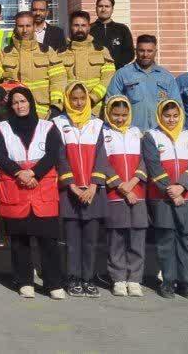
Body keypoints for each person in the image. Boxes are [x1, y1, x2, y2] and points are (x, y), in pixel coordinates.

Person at [0, 87, 66, 300]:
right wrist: (19, 173)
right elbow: (0, 156)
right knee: (20, 241)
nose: (20, 106)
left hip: (41, 188)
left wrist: (34, 173)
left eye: (23, 101)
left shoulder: (48, 127)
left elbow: (53, 154)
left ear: (31, 103)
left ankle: (53, 283)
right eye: (15, 102)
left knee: (48, 241)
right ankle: (24, 281)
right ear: (10, 106)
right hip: (16, 188)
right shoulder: (1, 128)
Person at [52, 82, 109, 298]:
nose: (78, 102)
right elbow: (59, 156)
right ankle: (73, 278)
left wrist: (94, 184)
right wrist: (72, 186)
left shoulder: (98, 124)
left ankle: (89, 278)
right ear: (67, 99)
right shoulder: (57, 124)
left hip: (94, 192)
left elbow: (102, 157)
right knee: (72, 240)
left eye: (81, 98)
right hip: (70, 192)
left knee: (91, 240)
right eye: (74, 98)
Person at [142, 99, 188, 299]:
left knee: (186, 240)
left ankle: (186, 282)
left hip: (187, 197)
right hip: (162, 199)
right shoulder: (151, 136)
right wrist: (170, 190)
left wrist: (182, 187)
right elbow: (153, 166)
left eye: (175, 115)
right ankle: (168, 281)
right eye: (167, 116)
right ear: (160, 116)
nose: (171, 119)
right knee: (166, 241)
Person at [100, 96, 147, 298]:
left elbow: (145, 162)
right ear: (109, 114)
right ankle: (118, 278)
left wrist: (133, 184)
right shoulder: (104, 135)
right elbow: (103, 163)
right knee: (116, 239)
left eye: (124, 115)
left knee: (137, 238)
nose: (120, 119)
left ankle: (135, 279)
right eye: (116, 115)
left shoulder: (138, 134)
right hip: (115, 194)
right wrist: (121, 187)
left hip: (137, 195)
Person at [0, 11, 66, 117]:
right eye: (20, 26)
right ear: (15, 27)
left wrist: (56, 106)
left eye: (28, 26)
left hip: (41, 113)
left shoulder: (47, 51)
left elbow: (59, 79)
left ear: (34, 26)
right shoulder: (4, 52)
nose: (24, 30)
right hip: (11, 112)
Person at [106, 34, 180, 131]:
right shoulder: (122, 74)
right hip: (131, 134)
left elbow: (178, 107)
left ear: (155, 52)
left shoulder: (166, 77)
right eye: (141, 50)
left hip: (160, 134)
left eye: (149, 51)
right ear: (136, 51)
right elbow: (110, 105)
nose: (145, 54)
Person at [60, 10, 116, 116]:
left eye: (83, 25)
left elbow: (108, 79)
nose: (80, 29)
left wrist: (92, 98)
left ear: (89, 27)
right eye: (76, 25)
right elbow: (58, 82)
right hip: (69, 111)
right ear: (70, 27)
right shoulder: (60, 54)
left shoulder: (102, 51)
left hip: (95, 111)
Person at [90, 0, 134, 68]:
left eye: (107, 6)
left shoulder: (122, 29)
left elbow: (129, 53)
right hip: (94, 73)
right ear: (96, 9)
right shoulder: (89, 29)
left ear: (112, 9)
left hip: (117, 73)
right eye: (100, 6)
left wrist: (114, 65)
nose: (103, 9)